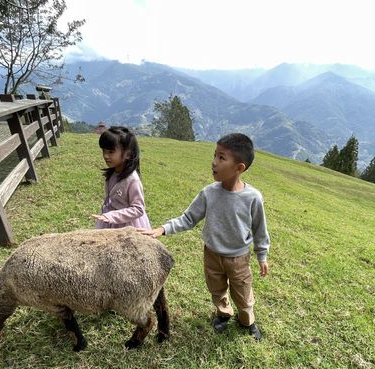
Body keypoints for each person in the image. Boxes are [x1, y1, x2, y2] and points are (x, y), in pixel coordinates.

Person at [142, 133, 270, 340]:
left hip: (238, 258)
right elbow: (189, 218)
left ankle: (248, 321)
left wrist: (262, 255)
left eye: (221, 158)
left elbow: (260, 229)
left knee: (243, 293)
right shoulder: (209, 193)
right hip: (211, 254)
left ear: (239, 168)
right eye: (214, 156)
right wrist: (163, 229)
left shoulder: (253, 198)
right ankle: (223, 313)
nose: (214, 162)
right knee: (217, 289)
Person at [91, 126, 151, 229]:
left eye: (111, 152)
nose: (105, 156)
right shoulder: (113, 174)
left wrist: (112, 216)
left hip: (128, 225)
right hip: (110, 220)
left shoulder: (132, 180)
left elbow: (138, 209)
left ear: (128, 154)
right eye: (104, 151)